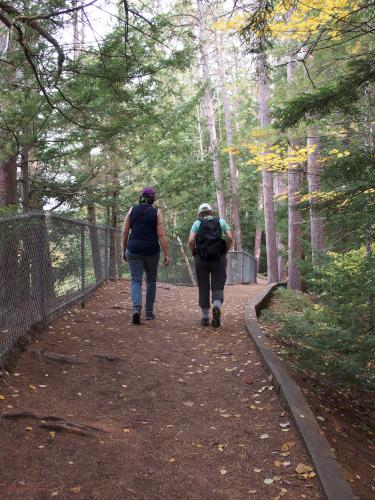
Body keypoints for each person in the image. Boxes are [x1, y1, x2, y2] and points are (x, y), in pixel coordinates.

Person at [122, 187, 170, 324]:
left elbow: (124, 233)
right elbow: (161, 234)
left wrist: (123, 250)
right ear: (153, 199)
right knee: (151, 280)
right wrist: (167, 254)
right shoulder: (157, 213)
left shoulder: (132, 210)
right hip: (151, 252)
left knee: (135, 280)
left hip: (133, 250)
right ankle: (149, 313)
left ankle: (136, 309)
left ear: (141, 197)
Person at [188, 203, 233, 327]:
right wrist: (225, 250)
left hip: (201, 259)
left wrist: (194, 252)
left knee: (203, 286)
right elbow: (230, 237)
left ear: (200, 214)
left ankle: (205, 317)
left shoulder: (197, 223)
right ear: (211, 212)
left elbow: (191, 240)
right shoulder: (221, 222)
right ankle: (217, 306)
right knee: (218, 285)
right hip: (219, 258)